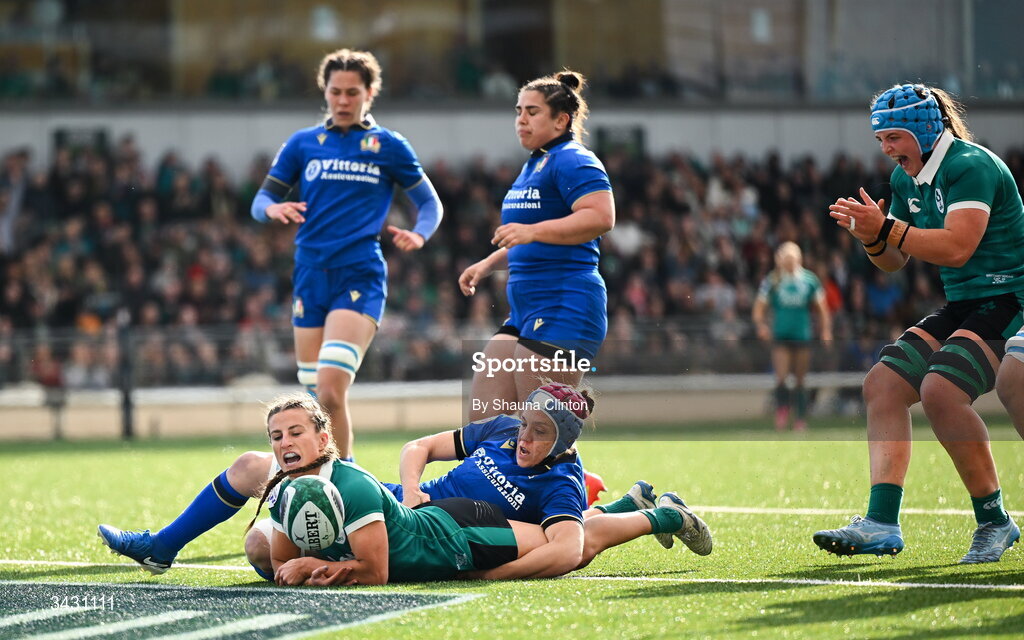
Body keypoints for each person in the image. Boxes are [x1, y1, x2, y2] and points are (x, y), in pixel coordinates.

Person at [98, 384, 712, 575]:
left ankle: (660, 514)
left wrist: (486, 574)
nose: (524, 439)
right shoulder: (500, 429)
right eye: (525, 427)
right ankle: (164, 546)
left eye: (540, 435)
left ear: (565, 444)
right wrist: (413, 487)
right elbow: (418, 447)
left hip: (465, 533)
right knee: (252, 473)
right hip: (408, 508)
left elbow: (566, 547)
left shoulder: (561, 482)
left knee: (583, 542)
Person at [814, 83, 1023, 563]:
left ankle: (995, 521)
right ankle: (882, 522)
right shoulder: (907, 179)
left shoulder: (970, 166)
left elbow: (956, 247)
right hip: (966, 302)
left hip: (1012, 296)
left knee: (940, 391)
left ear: (925, 130)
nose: (886, 150)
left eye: (894, 138)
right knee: (882, 385)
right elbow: (895, 261)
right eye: (881, 140)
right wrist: (871, 237)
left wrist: (886, 228)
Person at [249, 48, 442, 458]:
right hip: (309, 274)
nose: (342, 100)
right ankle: (323, 479)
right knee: (312, 398)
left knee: (330, 388)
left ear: (369, 93)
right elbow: (260, 199)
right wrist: (272, 207)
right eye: (335, 91)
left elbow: (430, 204)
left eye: (352, 92)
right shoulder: (303, 143)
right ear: (326, 91)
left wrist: (420, 234)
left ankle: (347, 479)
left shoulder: (388, 145)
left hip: (359, 274)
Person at [458, 70, 614, 421]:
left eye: (532, 111)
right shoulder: (534, 164)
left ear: (562, 120)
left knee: (542, 429)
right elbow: (532, 240)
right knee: (486, 424)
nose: (521, 120)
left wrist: (532, 231)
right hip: (525, 310)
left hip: (565, 304)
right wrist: (488, 264)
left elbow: (601, 217)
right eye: (518, 111)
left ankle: (581, 479)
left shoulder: (574, 159)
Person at [752, 242, 832, 431]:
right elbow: (759, 307)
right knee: (781, 377)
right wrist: (761, 325)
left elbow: (822, 309)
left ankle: (800, 418)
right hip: (781, 335)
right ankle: (782, 413)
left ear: (799, 259)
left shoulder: (809, 280)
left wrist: (825, 330)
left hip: (802, 335)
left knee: (800, 379)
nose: (788, 262)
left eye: (791, 258)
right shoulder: (773, 280)